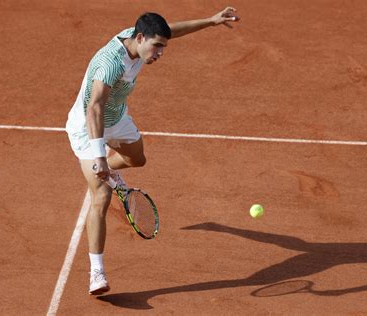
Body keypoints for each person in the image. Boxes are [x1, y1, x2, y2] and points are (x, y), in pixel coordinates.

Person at [65, 7, 240, 295]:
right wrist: (98, 156)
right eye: (157, 46)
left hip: (117, 117)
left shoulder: (139, 39)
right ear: (140, 37)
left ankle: (108, 174)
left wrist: (210, 21)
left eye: (163, 47)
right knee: (101, 195)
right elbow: (94, 107)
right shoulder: (110, 64)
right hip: (88, 126)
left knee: (138, 159)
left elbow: (171, 28)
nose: (160, 53)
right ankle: (97, 272)